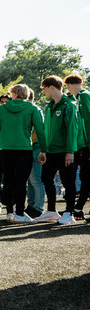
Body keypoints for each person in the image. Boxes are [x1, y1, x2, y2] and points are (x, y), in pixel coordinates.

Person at [0, 84, 45, 223]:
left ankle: (10, 213)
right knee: (21, 182)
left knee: (8, 181)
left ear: (13, 94)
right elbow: (40, 130)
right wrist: (43, 149)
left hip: (6, 149)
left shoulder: (2, 108)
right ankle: (19, 212)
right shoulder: (32, 108)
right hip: (24, 148)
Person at [35, 76, 79, 224]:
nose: (44, 92)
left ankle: (69, 213)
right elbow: (46, 130)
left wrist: (70, 151)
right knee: (46, 178)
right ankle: (52, 211)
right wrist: (44, 150)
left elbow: (72, 129)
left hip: (65, 151)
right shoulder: (49, 107)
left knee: (68, 181)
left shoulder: (68, 105)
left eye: (45, 88)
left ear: (51, 87)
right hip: (50, 151)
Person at [64, 74, 90, 221]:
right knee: (84, 177)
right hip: (83, 144)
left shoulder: (83, 96)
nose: (68, 89)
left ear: (71, 84)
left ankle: (78, 208)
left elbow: (88, 118)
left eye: (68, 86)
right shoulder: (80, 97)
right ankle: (78, 208)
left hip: (86, 144)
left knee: (86, 178)